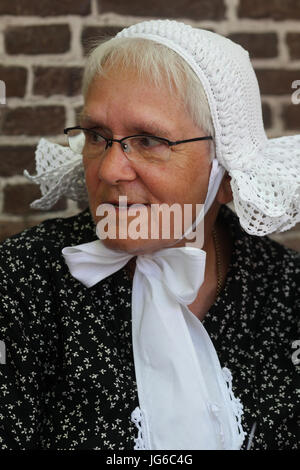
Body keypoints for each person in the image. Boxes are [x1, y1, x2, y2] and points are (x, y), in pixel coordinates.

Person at [0, 19, 299, 450]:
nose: (108, 170)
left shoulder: (285, 290)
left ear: (227, 170)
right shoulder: (21, 280)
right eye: (97, 136)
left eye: (148, 140)